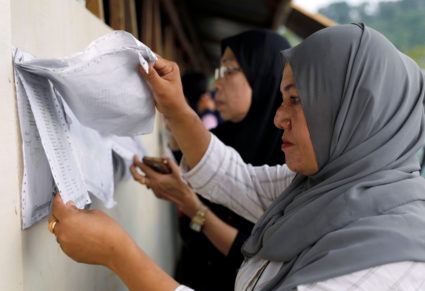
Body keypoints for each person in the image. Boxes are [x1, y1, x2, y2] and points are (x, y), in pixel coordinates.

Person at [49, 23, 425, 290]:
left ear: (355, 113)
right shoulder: (323, 186)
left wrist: (119, 254)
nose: (279, 118)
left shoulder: (390, 262)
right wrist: (177, 108)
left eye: (296, 99)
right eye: (281, 99)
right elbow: (238, 179)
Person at [131, 30, 291, 291]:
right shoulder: (220, 138)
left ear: (263, 76)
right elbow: (196, 158)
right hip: (192, 272)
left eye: (229, 71)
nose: (216, 84)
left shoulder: (290, 160)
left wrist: (191, 205)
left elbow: (260, 257)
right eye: (218, 72)